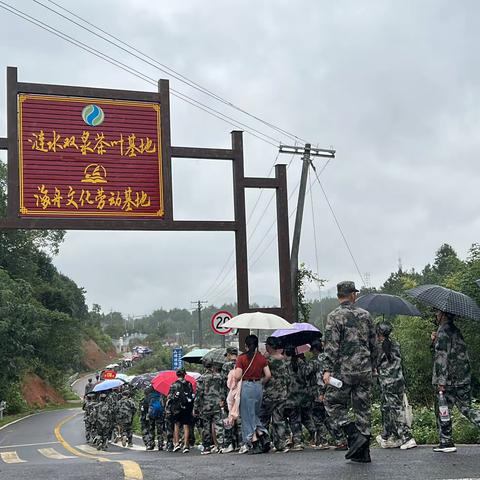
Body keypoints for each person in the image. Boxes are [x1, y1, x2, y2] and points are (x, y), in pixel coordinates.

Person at [323, 280, 377, 463]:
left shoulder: (334, 317)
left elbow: (331, 346)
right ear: (353, 295)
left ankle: (352, 434)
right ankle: (364, 452)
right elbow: (373, 343)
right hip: (364, 369)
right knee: (363, 409)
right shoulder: (366, 315)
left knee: (332, 403)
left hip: (343, 371)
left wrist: (327, 370)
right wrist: (374, 365)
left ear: (339, 296)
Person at [431, 309, 480, 453]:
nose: (436, 315)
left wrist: (441, 382)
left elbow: (442, 358)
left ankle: (446, 441)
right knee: (466, 408)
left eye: (438, 313)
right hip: (462, 377)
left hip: (449, 380)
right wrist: (434, 342)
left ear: (443, 315)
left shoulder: (443, 332)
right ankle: (446, 441)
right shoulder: (455, 330)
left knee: (442, 409)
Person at [375, 322, 416, 450]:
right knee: (386, 408)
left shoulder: (379, 348)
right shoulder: (396, 345)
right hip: (398, 381)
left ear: (379, 334)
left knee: (395, 409)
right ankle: (388, 435)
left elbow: (375, 364)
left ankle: (407, 437)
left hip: (388, 383)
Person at [234, 334, 272, 454]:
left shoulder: (241, 358)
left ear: (246, 345)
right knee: (254, 414)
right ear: (256, 345)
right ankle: (262, 435)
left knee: (246, 416)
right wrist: (261, 382)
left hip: (247, 386)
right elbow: (268, 375)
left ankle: (254, 442)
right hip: (258, 387)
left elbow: (237, 376)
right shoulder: (261, 358)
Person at [260, 336, 289, 453]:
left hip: (269, 394)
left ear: (269, 346)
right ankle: (280, 443)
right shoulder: (284, 360)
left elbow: (265, 376)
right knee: (279, 419)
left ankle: (265, 442)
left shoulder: (267, 361)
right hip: (282, 393)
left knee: (264, 419)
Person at [306, 339, 333, 450]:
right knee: (328, 416)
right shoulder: (328, 358)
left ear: (314, 349)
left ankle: (323, 440)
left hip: (318, 392)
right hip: (330, 390)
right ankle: (338, 438)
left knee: (317, 417)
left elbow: (307, 373)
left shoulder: (314, 361)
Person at [194, 358, 224, 455]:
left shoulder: (201, 379)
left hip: (205, 405)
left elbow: (199, 394)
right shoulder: (219, 377)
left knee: (206, 427)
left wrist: (196, 408)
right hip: (217, 404)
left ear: (204, 365)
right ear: (212, 365)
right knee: (219, 425)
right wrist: (222, 400)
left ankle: (206, 447)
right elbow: (223, 390)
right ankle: (221, 445)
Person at [166, 368, 194, 453]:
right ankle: (186, 445)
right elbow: (192, 395)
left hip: (176, 408)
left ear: (177, 375)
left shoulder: (174, 385)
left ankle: (176, 443)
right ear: (184, 374)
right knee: (186, 426)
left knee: (176, 425)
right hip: (187, 406)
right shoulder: (189, 384)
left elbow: (170, 397)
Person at [221, 347, 241, 453]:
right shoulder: (241, 363)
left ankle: (230, 443)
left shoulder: (226, 366)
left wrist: (222, 398)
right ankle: (240, 443)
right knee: (239, 419)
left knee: (229, 420)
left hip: (229, 396)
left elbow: (224, 383)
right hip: (239, 394)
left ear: (229, 354)